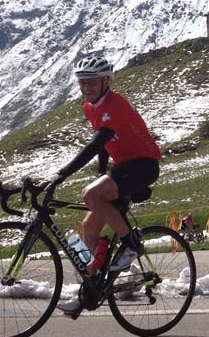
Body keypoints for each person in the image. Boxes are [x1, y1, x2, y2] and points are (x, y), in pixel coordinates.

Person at [47, 55, 162, 313]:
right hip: (123, 166)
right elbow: (105, 145)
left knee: (90, 195)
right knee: (88, 226)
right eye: (82, 82)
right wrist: (101, 171)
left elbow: (97, 142)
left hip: (143, 164)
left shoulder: (116, 105)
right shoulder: (90, 107)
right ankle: (90, 291)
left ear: (106, 82)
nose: (86, 87)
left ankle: (131, 243)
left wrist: (62, 173)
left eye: (92, 82)